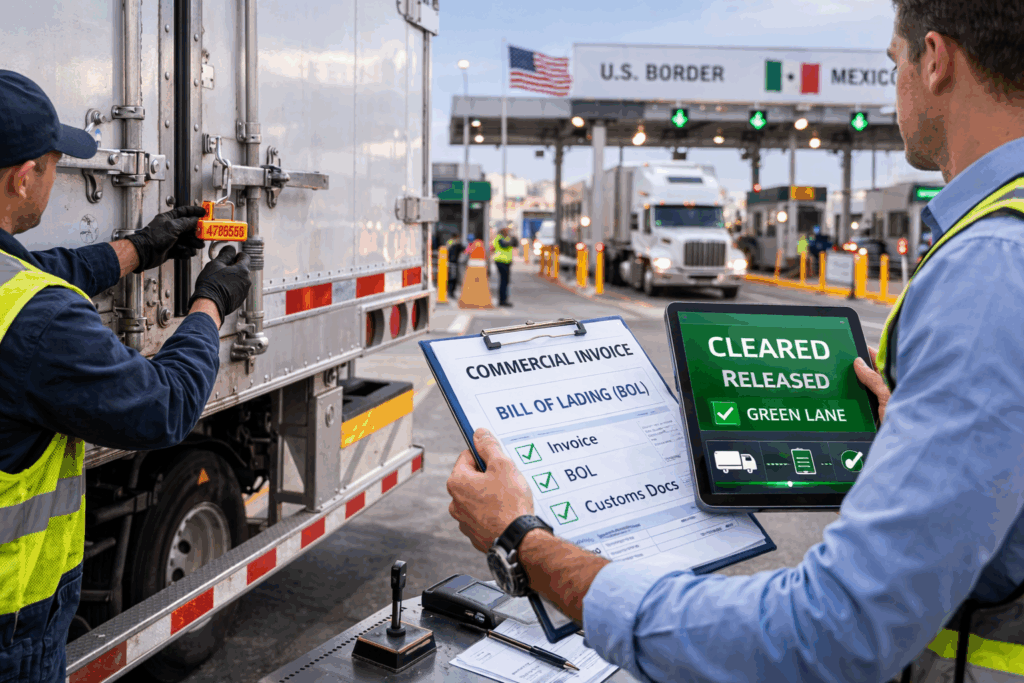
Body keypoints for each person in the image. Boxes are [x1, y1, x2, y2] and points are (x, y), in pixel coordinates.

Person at [446, 3, 1024, 681]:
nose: (893, 86)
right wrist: (919, 448)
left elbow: (830, 632)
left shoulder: (989, 267)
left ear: (934, 59)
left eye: (893, 64)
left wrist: (528, 543)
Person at [0, 70, 252, 682]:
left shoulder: (22, 295)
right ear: (22, 175)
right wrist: (210, 303)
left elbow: (35, 268)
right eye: (56, 164)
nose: (55, 180)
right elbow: (162, 406)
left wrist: (142, 247)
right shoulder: (35, 319)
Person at [492, 226, 515, 307]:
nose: (508, 233)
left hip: (506, 262)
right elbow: (505, 245)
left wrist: (513, 237)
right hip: (501, 261)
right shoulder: (499, 238)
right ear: (503, 232)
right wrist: (511, 239)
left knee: (505, 281)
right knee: (504, 282)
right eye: (507, 231)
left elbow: (515, 243)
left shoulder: (506, 238)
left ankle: (504, 299)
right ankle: (502, 300)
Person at [444, 234, 465, 298]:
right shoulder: (457, 243)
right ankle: (451, 292)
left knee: (450, 277)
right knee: (453, 278)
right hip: (454, 262)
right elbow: (463, 249)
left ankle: (449, 292)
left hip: (449, 261)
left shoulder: (449, 242)